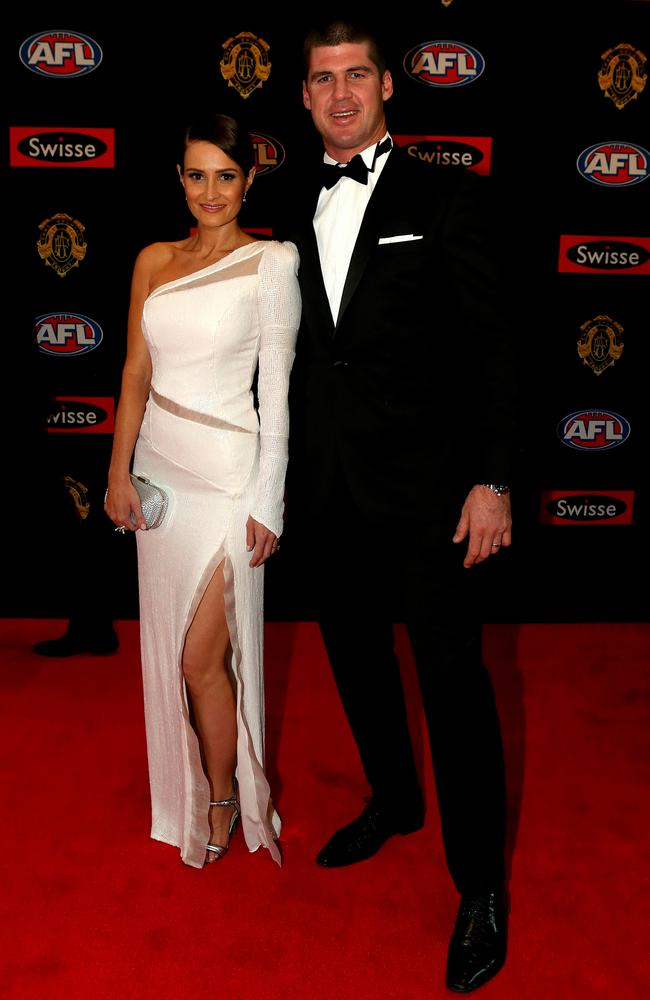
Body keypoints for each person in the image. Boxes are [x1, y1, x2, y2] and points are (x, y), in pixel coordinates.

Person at [283, 21, 517, 993]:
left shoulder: (447, 196)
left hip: (430, 494)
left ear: (386, 87)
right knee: (354, 658)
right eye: (322, 80)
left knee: (452, 684)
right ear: (302, 97)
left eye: (355, 77)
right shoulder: (285, 207)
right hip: (328, 490)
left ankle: (479, 886)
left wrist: (493, 480)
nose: (339, 95)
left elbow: (498, 351)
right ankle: (392, 797)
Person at [104, 113, 300, 868]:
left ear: (249, 180)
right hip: (160, 474)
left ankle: (225, 796)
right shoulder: (153, 259)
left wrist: (267, 501)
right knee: (175, 653)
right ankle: (203, 788)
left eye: (226, 175)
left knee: (197, 660)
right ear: (179, 179)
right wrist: (119, 473)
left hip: (227, 480)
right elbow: (133, 373)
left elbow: (275, 395)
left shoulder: (270, 264)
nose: (211, 191)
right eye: (196, 175)